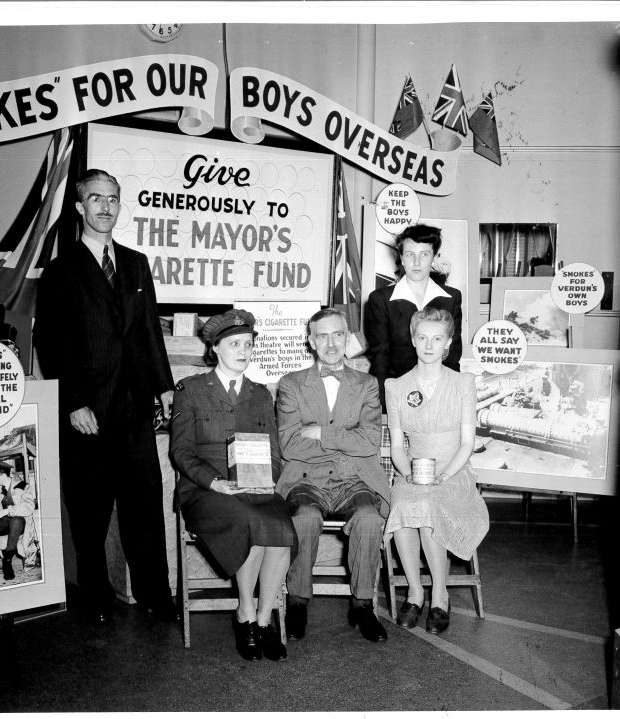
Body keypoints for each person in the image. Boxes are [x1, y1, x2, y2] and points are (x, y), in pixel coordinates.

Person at [36, 168, 176, 626]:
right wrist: (73, 402)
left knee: (144, 507)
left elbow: (149, 331)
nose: (105, 207)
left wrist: (165, 388)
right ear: (80, 206)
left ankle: (157, 595)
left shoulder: (135, 263)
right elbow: (50, 344)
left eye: (113, 199)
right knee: (91, 513)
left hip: (134, 408)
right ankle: (95, 596)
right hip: (87, 413)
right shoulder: (60, 270)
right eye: (96, 198)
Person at [170, 309, 295, 661]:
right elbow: (180, 451)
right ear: (215, 348)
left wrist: (267, 479)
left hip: (255, 487)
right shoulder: (191, 390)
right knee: (250, 523)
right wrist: (215, 482)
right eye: (234, 344)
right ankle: (245, 613)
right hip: (205, 491)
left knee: (282, 527)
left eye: (249, 344)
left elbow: (273, 451)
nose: (244, 351)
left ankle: (264, 618)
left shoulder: (260, 394)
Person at [275, 308, 390, 643]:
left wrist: (321, 433)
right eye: (321, 335)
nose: (330, 343)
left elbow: (369, 441)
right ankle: (297, 601)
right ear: (310, 341)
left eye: (337, 334)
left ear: (346, 338)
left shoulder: (367, 384)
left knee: (369, 519)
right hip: (305, 478)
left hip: (354, 478)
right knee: (305, 518)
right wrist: (343, 440)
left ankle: (363, 604)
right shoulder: (292, 384)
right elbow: (291, 445)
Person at [384, 308, 489, 635]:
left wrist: (443, 475)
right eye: (422, 338)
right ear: (413, 340)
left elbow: (467, 443)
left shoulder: (463, 383)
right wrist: (408, 474)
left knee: (429, 506)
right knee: (402, 502)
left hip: (454, 472)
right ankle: (415, 592)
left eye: (437, 338)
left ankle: (440, 594)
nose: (429, 345)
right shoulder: (396, 386)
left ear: (448, 342)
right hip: (413, 472)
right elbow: (398, 447)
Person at [364, 223, 462, 410]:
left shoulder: (452, 297)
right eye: (410, 254)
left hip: (438, 396)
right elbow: (380, 360)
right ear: (401, 257)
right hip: (397, 394)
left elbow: (452, 356)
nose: (417, 263)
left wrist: (449, 401)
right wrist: (385, 408)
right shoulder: (381, 299)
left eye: (424, 254)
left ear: (434, 257)